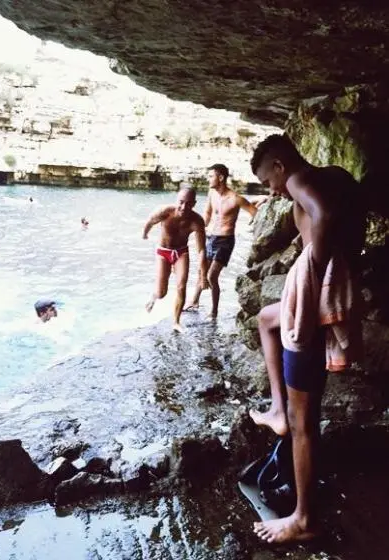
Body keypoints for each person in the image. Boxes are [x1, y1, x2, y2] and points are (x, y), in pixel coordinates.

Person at [248, 134, 364, 543]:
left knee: (304, 423)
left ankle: (303, 519)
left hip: (313, 302)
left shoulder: (299, 180)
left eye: (268, 181)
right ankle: (277, 409)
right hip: (336, 291)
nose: (272, 191)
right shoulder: (338, 175)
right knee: (266, 319)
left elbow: (323, 214)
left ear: (280, 165)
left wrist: (312, 270)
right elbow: (354, 226)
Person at [184, 164, 258, 318]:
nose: (208, 179)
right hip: (210, 238)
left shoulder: (235, 199)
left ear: (221, 178)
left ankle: (214, 312)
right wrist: (197, 229)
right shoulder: (212, 193)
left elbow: (254, 212)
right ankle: (194, 301)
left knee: (212, 276)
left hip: (225, 241)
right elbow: (207, 214)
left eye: (211, 176)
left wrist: (253, 225)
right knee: (202, 271)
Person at [143, 186, 208, 332]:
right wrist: (145, 234)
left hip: (181, 252)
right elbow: (150, 221)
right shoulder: (165, 212)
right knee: (162, 293)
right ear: (176, 200)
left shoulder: (197, 221)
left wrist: (203, 275)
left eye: (189, 204)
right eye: (181, 202)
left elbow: (201, 250)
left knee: (181, 286)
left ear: (194, 204)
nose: (184, 207)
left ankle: (176, 322)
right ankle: (154, 296)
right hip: (163, 252)